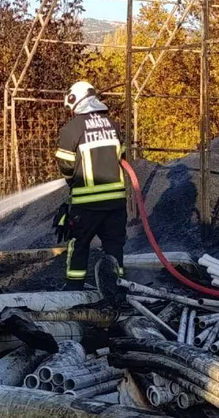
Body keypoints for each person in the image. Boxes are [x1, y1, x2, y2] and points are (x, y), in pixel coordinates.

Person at [53, 81, 127, 291]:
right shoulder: (113, 125)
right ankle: (117, 289)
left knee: (79, 245)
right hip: (115, 202)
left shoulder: (72, 128)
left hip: (86, 203)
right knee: (114, 246)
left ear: (75, 100)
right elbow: (123, 156)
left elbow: (65, 163)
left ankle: (74, 288)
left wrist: (71, 181)